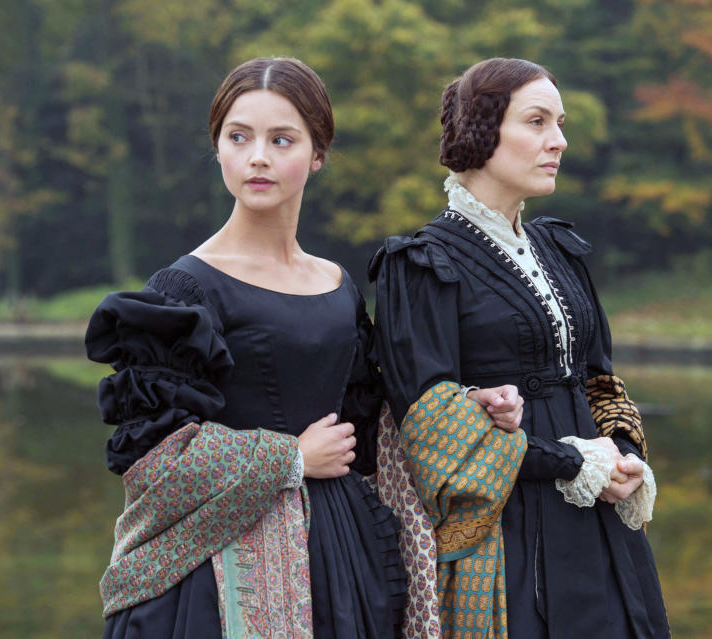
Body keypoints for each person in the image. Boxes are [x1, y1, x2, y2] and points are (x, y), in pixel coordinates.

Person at [86, 57, 405, 639]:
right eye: (239, 137)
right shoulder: (183, 291)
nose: (257, 156)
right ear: (219, 149)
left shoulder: (337, 285)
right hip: (214, 570)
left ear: (317, 153)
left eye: (281, 139)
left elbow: (371, 426)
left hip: (339, 552)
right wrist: (290, 458)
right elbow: (154, 465)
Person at [370, 57, 670, 638]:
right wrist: (571, 462)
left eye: (560, 124)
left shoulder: (560, 249)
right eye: (537, 122)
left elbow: (600, 380)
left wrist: (624, 452)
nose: (558, 141)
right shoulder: (421, 265)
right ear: (483, 131)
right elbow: (430, 427)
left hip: (600, 522)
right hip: (504, 534)